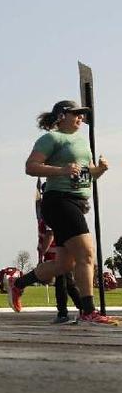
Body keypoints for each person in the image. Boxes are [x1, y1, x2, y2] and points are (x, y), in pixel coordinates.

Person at [6, 100, 117, 326]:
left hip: (77, 202)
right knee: (87, 253)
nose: (81, 118)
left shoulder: (82, 143)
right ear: (61, 116)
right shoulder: (51, 139)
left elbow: (85, 176)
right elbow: (30, 166)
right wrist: (61, 170)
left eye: (82, 115)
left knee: (63, 266)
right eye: (76, 114)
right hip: (59, 201)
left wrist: (100, 170)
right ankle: (87, 311)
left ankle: (18, 284)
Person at [36, 183, 81, 324]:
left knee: (62, 284)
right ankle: (85, 308)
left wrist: (43, 250)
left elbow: (50, 233)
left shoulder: (50, 209)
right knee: (68, 283)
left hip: (57, 252)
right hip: (61, 250)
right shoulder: (53, 207)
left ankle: (63, 313)